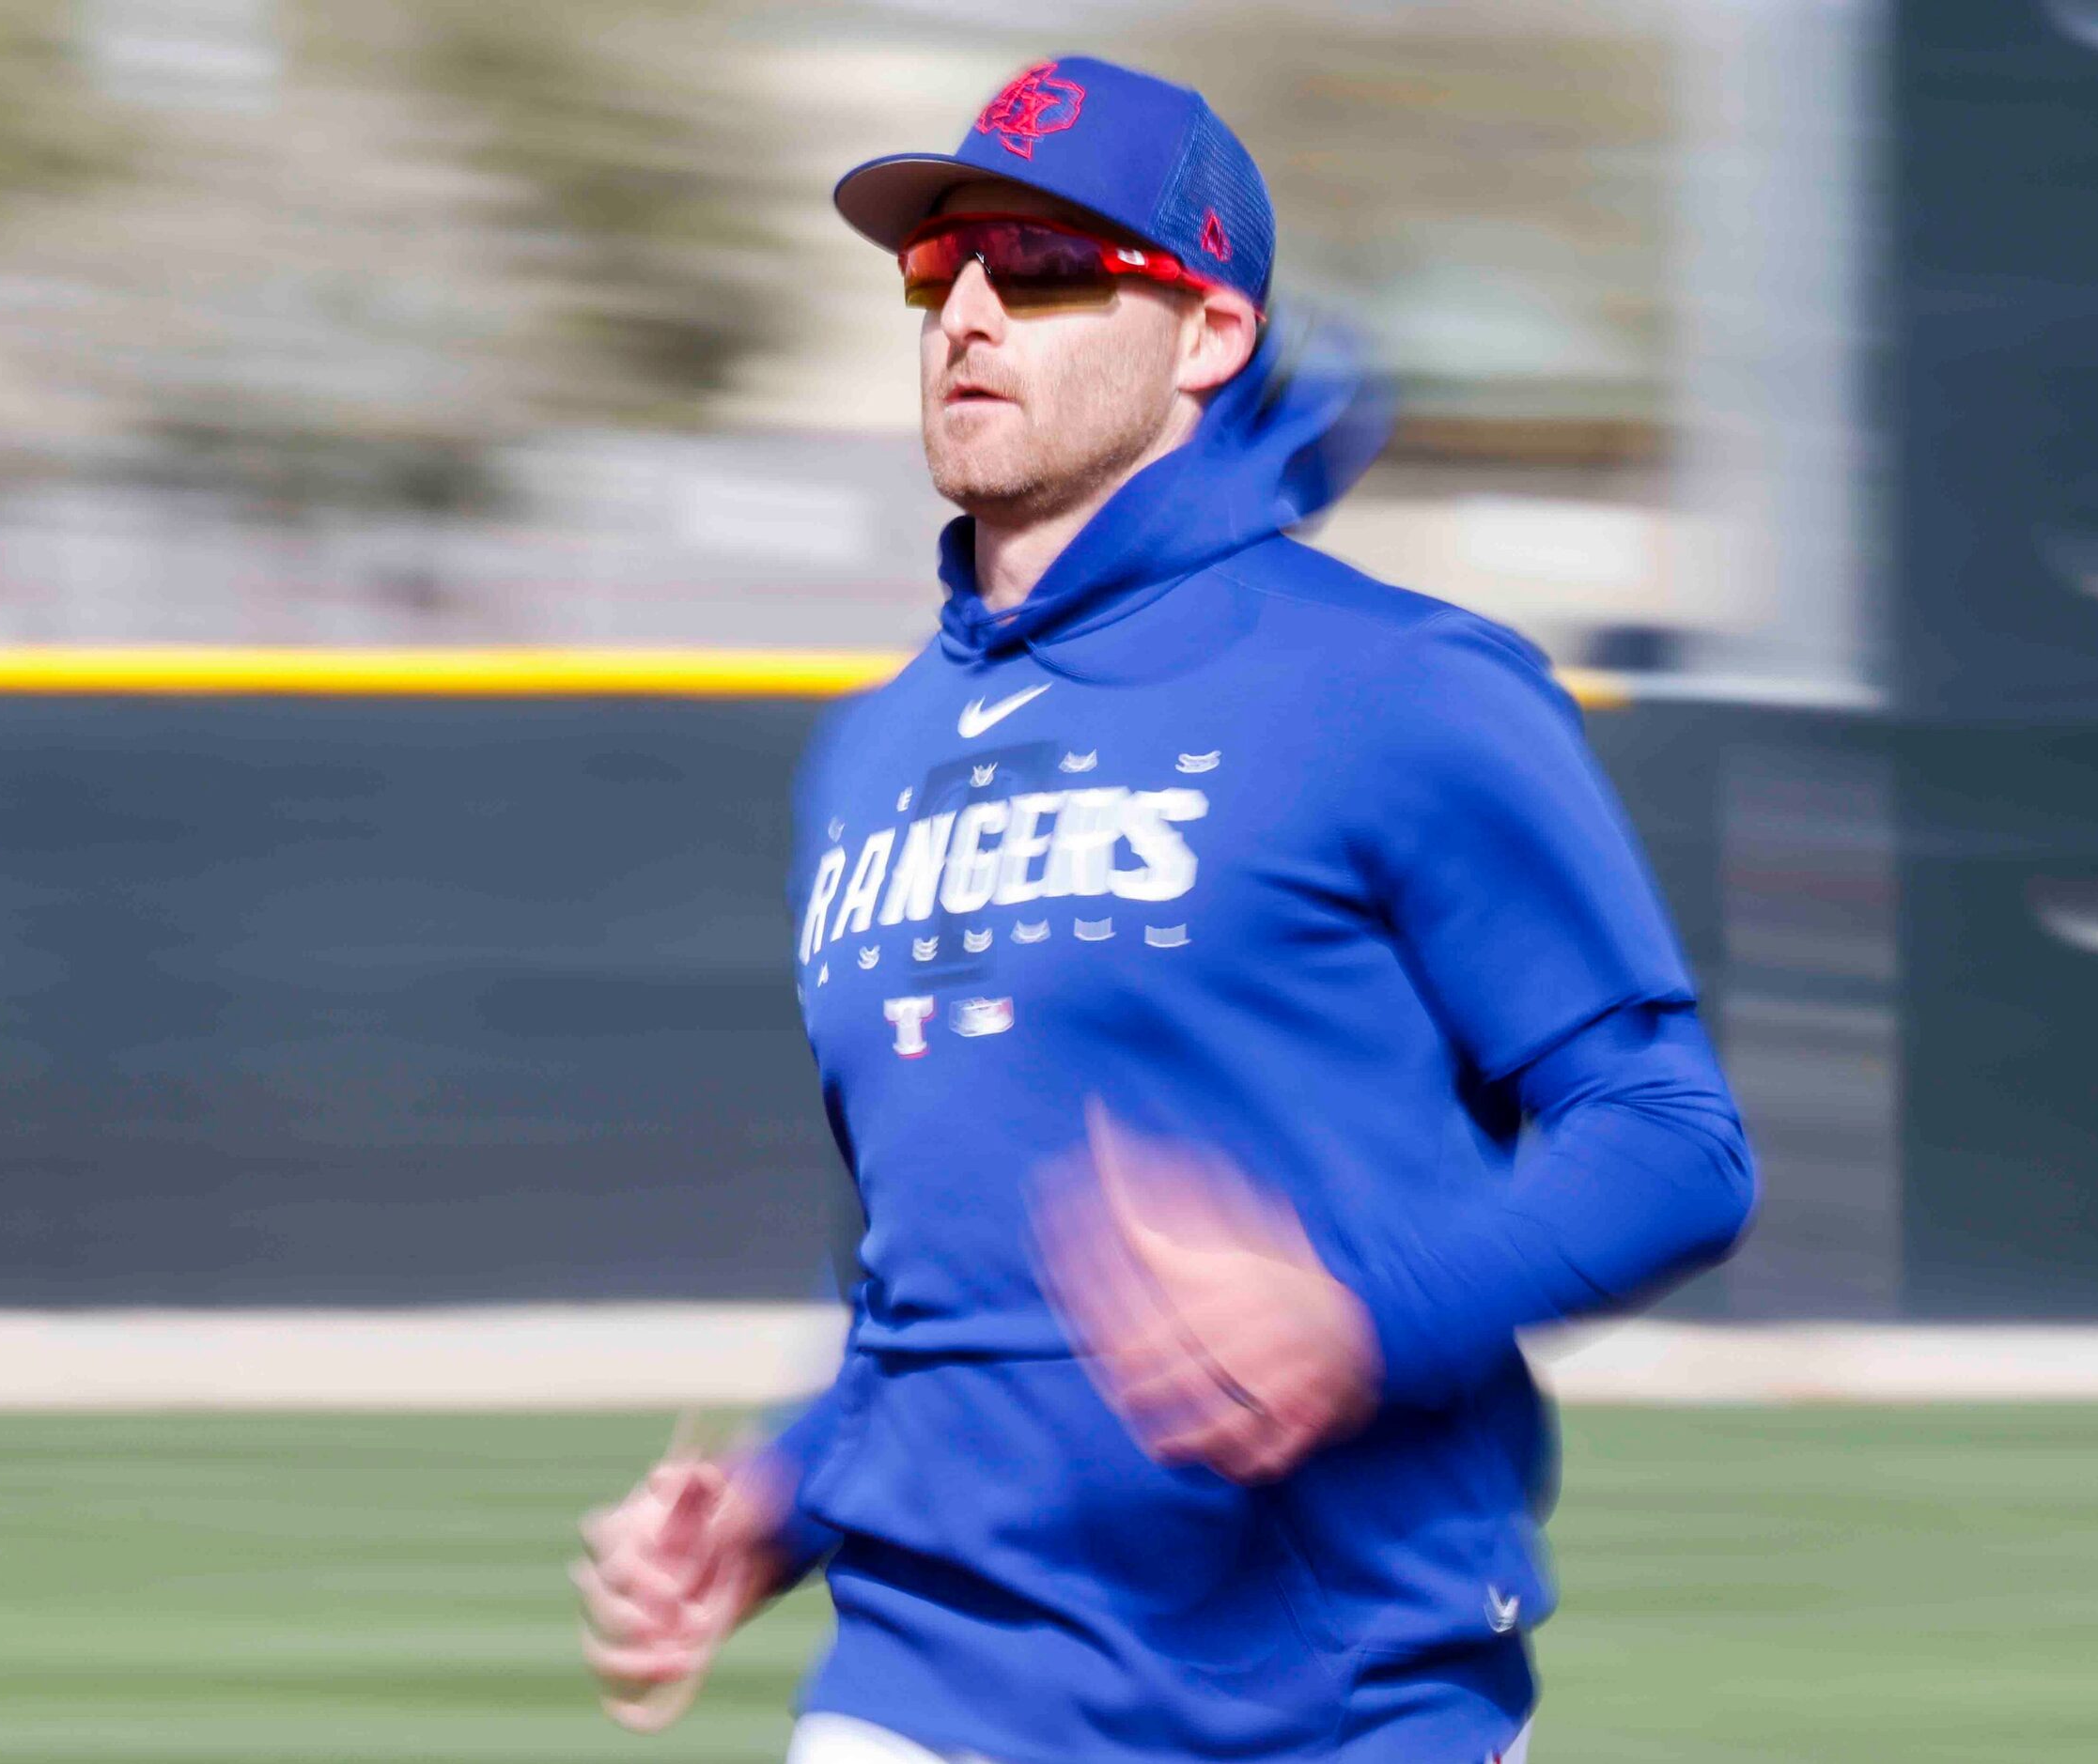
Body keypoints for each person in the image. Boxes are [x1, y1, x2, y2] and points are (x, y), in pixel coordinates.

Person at [573, 54, 1756, 1764]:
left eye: (1045, 267)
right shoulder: (877, 751)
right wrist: (779, 1500)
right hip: (928, 1694)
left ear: (1207, 333)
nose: (971, 308)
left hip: (1334, 1707)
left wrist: (1359, 1318)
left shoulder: (1401, 689)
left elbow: (1670, 1140)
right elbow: (932, 1296)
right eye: (938, 267)